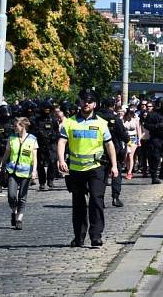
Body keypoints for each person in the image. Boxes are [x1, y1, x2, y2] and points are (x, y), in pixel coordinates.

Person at [57, 88, 119, 248]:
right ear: (80, 102)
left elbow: (109, 145)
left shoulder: (101, 124)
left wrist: (114, 166)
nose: (86, 103)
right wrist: (61, 159)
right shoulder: (69, 122)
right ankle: (79, 237)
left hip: (96, 168)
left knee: (96, 201)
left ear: (95, 104)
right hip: (76, 170)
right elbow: (62, 142)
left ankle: (96, 236)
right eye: (84, 100)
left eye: (90, 101)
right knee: (78, 204)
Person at [0, 117, 38, 229]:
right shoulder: (12, 138)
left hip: (26, 172)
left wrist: (34, 171)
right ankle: (14, 212)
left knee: (22, 197)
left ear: (22, 126)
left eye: (16, 126)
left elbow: (34, 157)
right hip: (12, 171)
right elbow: (7, 154)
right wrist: (0, 167)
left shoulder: (32, 139)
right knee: (11, 195)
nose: (14, 128)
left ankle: (19, 219)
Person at [98, 97, 128, 207]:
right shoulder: (115, 119)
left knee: (101, 175)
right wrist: (128, 140)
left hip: (100, 149)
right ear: (113, 106)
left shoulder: (97, 117)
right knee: (116, 173)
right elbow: (122, 134)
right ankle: (115, 198)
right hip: (115, 149)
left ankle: (99, 199)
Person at [144, 97, 163, 184]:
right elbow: (146, 125)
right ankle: (154, 177)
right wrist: (158, 126)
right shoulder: (152, 114)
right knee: (155, 158)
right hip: (155, 139)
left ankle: (162, 173)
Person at [32, 100, 58, 190]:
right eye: (45, 108)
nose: (47, 110)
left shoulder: (54, 119)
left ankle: (50, 180)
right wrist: (40, 134)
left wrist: (52, 136)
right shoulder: (37, 120)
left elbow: (57, 131)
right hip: (40, 144)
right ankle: (42, 182)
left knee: (52, 162)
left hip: (51, 144)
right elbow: (33, 132)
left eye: (48, 108)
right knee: (40, 164)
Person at [123, 105, 141, 179]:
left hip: (133, 138)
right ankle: (127, 169)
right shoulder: (123, 119)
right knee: (126, 155)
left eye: (132, 113)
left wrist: (139, 140)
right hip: (125, 138)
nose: (131, 114)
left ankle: (130, 172)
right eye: (129, 113)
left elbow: (138, 130)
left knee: (130, 155)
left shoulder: (136, 119)